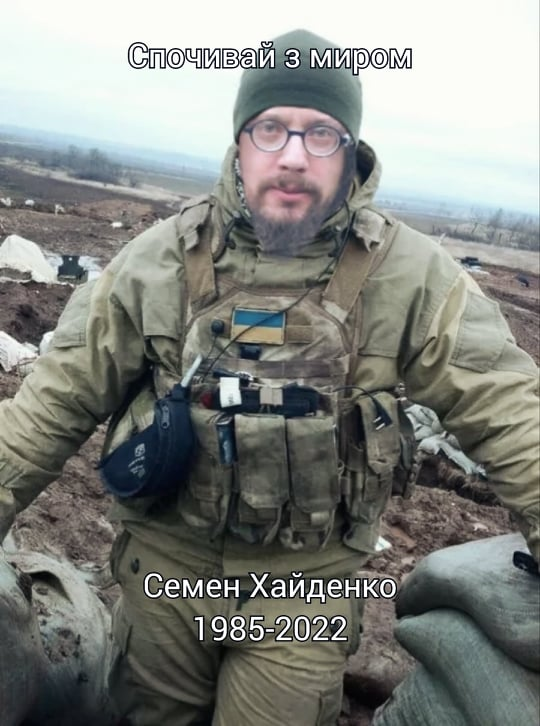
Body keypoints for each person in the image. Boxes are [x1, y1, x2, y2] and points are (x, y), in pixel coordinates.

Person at [0, 28, 538, 726]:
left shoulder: (412, 274)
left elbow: (507, 410)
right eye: (271, 129)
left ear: (351, 150)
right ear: (240, 142)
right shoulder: (157, 260)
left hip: (302, 589)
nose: (292, 156)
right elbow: (53, 403)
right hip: (163, 575)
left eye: (321, 135)